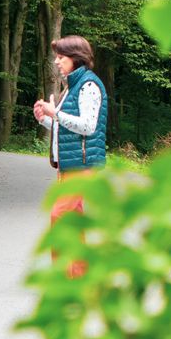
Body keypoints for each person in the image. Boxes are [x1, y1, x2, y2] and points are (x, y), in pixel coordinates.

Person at [31, 35, 107, 279]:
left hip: (82, 166)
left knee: (60, 215)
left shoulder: (89, 86)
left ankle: (63, 278)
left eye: (60, 57)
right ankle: (79, 276)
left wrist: (56, 114)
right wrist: (44, 118)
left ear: (75, 59)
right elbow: (66, 129)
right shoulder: (72, 87)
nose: (56, 62)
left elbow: (87, 126)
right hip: (69, 166)